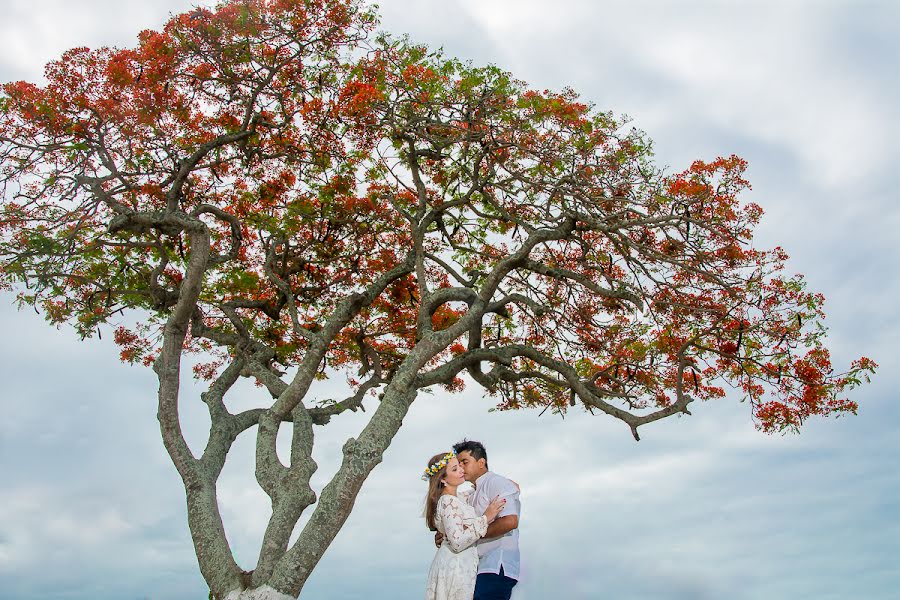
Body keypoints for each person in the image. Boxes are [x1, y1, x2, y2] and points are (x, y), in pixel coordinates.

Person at [423, 450, 507, 600]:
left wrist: (506, 484)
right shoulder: (448, 501)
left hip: (462, 565)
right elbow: (457, 542)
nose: (461, 470)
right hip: (455, 567)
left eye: (460, 466)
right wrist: (485, 518)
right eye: (455, 469)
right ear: (443, 480)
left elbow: (475, 489)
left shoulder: (459, 497)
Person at [451, 440, 521, 600]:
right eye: (458, 463)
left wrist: (473, 535)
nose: (461, 467)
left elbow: (510, 521)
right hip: (478, 567)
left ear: (481, 462)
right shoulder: (472, 493)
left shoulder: (496, 482)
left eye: (465, 462)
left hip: (496, 564)